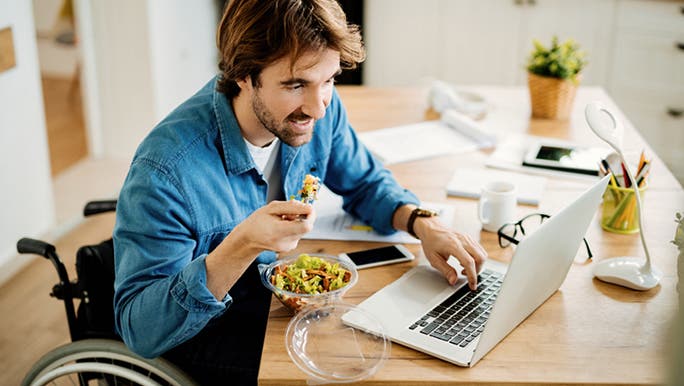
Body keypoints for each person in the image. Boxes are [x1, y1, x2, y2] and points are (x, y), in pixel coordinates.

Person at [113, 0, 487, 384]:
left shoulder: (318, 107)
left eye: (329, 80)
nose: (319, 107)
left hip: (277, 306)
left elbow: (364, 181)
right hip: (205, 334)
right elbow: (141, 332)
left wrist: (422, 222)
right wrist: (242, 244)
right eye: (296, 85)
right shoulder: (166, 170)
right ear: (243, 74)